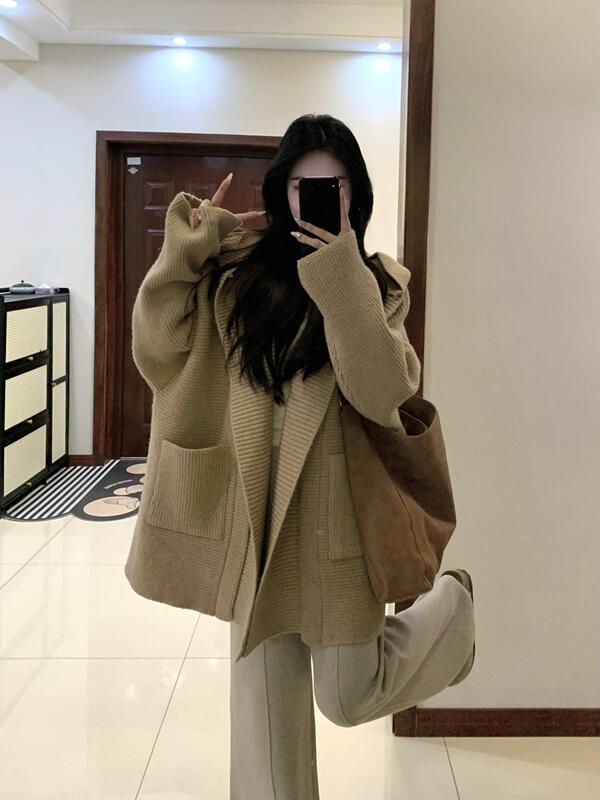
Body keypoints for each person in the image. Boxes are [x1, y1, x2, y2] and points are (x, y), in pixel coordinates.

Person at [128, 113, 475, 800]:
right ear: (281, 190)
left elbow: (383, 392)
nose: (315, 197)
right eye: (302, 184)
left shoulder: (376, 286)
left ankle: (455, 611)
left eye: (333, 186)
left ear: (354, 195)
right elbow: (156, 349)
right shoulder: (233, 278)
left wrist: (340, 273)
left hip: (334, 527)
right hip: (253, 522)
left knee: (348, 694)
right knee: (266, 734)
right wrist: (186, 253)